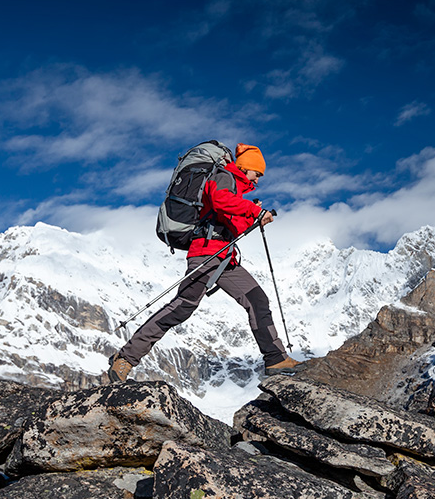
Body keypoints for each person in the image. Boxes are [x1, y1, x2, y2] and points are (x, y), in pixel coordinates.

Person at [107, 143, 302, 382]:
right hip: (206, 254)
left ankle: (276, 359)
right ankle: (125, 358)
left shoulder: (234, 189)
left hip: (224, 256)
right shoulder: (224, 177)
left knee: (257, 300)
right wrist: (253, 211)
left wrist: (253, 217)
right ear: (245, 167)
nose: (258, 180)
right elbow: (220, 201)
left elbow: (228, 222)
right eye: (257, 173)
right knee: (182, 307)